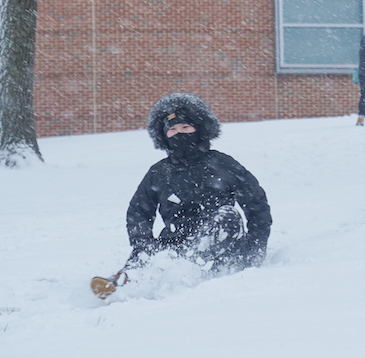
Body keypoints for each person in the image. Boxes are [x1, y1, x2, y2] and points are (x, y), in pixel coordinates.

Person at [91, 93, 272, 299]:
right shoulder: (160, 172)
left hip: (221, 242)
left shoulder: (222, 164)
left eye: (186, 127)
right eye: (173, 129)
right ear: (164, 136)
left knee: (228, 216)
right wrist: (144, 245)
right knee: (151, 254)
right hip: (175, 240)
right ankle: (122, 282)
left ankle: (185, 270)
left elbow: (256, 203)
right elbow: (139, 212)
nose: (179, 133)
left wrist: (256, 246)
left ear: (200, 129)